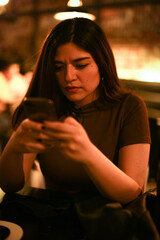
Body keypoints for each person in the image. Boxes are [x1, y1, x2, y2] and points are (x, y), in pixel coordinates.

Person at [0, 18, 151, 231]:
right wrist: (15, 145)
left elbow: (132, 193)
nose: (68, 77)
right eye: (59, 67)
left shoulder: (129, 107)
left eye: (81, 65)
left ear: (102, 63)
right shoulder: (45, 109)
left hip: (109, 226)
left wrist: (87, 152)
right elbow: (10, 185)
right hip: (55, 224)